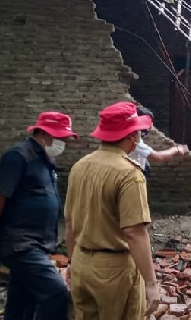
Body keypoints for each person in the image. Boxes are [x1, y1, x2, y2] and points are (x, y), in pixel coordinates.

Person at [64, 101, 166, 320]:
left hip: (82, 262)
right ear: (131, 136)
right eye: (137, 131)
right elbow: (135, 233)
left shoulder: (79, 166)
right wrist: (151, 284)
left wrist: (72, 262)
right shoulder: (129, 174)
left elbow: (70, 223)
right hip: (114, 270)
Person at [0, 111, 78, 320]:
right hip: (20, 243)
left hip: (35, 242)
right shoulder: (18, 157)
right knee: (56, 292)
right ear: (43, 133)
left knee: (23, 299)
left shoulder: (44, 160)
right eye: (59, 137)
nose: (63, 143)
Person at [128, 105, 189, 176]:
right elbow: (158, 157)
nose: (149, 127)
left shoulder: (134, 136)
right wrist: (175, 150)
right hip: (132, 176)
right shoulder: (134, 140)